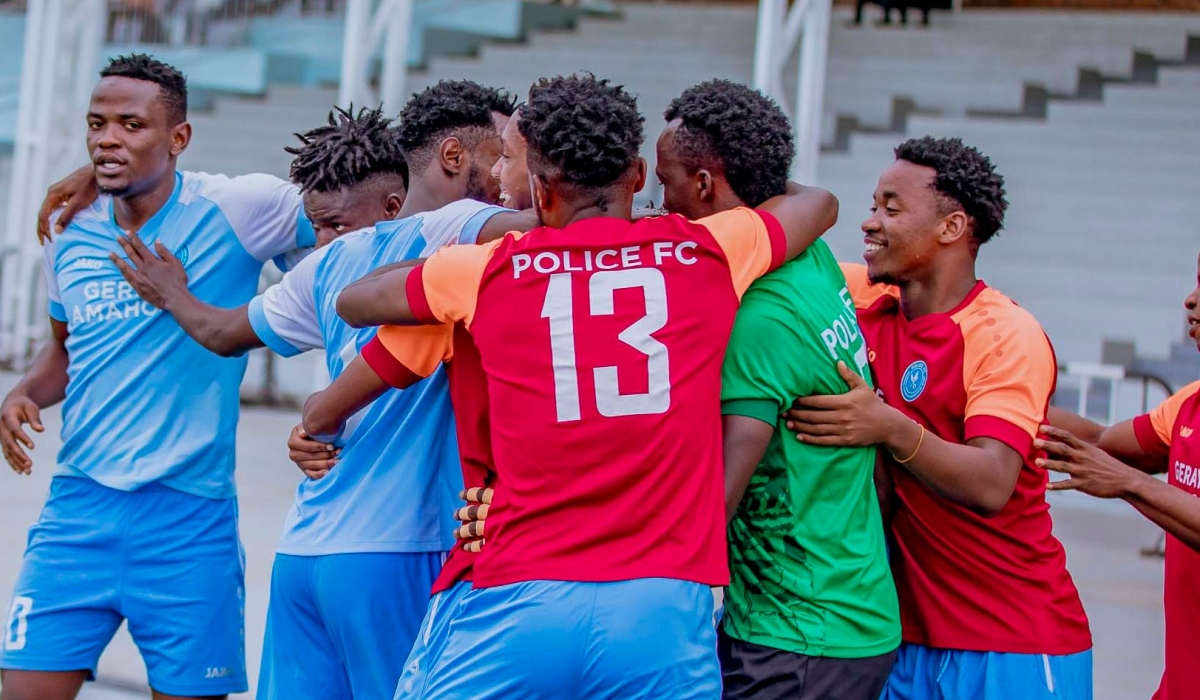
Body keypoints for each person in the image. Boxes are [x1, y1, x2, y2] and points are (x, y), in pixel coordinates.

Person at [320, 72, 838, 699]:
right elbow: (818, 202)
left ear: (539, 188)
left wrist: (504, 238)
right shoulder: (707, 250)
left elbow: (356, 301)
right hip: (664, 606)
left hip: (521, 592)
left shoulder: (491, 269)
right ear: (640, 176)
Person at [107, 80, 530, 700]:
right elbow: (558, 216)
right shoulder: (460, 230)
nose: (504, 172)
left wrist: (166, 280)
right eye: (501, 155)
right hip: (404, 547)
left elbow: (224, 332)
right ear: (453, 156)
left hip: (305, 550)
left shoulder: (327, 263)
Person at [0, 54, 314, 700]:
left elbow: (356, 213)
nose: (107, 138)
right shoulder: (69, 233)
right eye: (97, 125)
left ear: (179, 138)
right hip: (77, 511)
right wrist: (24, 393)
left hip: (189, 519)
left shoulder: (241, 208)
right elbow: (63, 350)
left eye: (130, 125)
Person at [785, 136, 1093, 699]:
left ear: (951, 228)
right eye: (873, 204)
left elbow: (992, 481)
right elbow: (777, 221)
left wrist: (888, 427)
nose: (870, 223)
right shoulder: (857, 297)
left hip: (1013, 643)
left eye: (891, 208)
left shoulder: (1004, 334)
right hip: (900, 637)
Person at [654, 79, 901, 700]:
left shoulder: (756, 317)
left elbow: (718, 501)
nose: (658, 201)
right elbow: (803, 194)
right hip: (847, 601)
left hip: (794, 631)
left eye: (667, 182)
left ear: (706, 184)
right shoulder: (810, 254)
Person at [1038, 251, 1200, 700]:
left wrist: (1131, 484)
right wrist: (1001, 403)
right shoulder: (1190, 404)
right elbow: (1103, 442)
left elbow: (1121, 472)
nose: (1190, 300)